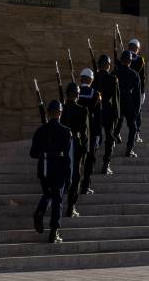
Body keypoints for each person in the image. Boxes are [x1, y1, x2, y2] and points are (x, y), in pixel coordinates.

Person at [30, 99, 73, 243]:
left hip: (44, 167)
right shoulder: (66, 131)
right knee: (57, 200)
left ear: (48, 114)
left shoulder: (40, 130)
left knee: (48, 193)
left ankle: (40, 211)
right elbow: (68, 157)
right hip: (58, 167)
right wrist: (69, 176)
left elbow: (33, 153)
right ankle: (54, 232)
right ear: (60, 113)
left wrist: (44, 152)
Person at [59, 82, 89, 218]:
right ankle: (71, 206)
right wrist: (85, 150)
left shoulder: (61, 110)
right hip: (75, 146)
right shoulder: (83, 110)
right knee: (76, 177)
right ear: (77, 95)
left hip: (61, 146)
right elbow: (84, 133)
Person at [115, 38, 147, 143]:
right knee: (136, 114)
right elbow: (141, 77)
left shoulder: (126, 59)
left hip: (124, 92)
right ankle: (136, 133)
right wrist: (143, 91)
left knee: (121, 114)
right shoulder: (138, 59)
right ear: (137, 48)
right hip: (134, 91)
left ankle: (117, 132)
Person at [93, 54, 121, 174]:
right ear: (107, 65)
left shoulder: (93, 78)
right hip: (108, 111)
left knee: (94, 137)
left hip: (95, 112)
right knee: (109, 139)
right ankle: (106, 164)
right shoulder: (112, 78)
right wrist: (117, 116)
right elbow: (116, 99)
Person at [76, 68, 102, 194]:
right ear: (91, 80)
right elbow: (98, 117)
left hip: (75, 132)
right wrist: (97, 135)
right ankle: (85, 185)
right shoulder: (96, 94)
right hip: (90, 132)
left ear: (81, 79)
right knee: (89, 159)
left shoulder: (73, 92)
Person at [113, 50, 142, 158]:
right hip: (129, 104)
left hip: (118, 103)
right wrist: (137, 110)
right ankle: (129, 150)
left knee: (117, 124)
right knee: (133, 128)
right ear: (130, 61)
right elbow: (137, 95)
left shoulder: (115, 73)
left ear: (121, 60)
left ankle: (115, 137)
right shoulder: (134, 74)